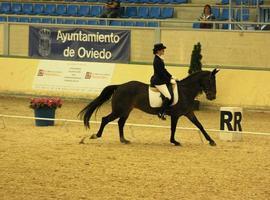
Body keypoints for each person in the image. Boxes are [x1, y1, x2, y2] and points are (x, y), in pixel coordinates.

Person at [150, 43, 177, 120]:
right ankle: (161, 112)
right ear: (158, 51)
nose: (163, 50)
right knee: (168, 96)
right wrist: (169, 80)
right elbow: (161, 73)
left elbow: (164, 70)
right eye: (162, 49)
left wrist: (171, 76)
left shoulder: (159, 59)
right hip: (158, 81)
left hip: (161, 79)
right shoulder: (157, 60)